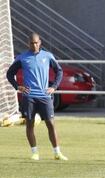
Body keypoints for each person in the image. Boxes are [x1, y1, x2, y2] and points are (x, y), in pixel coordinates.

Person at [6, 33, 68, 161]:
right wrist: (18, 86)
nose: (34, 45)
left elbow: (59, 71)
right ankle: (35, 152)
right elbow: (9, 74)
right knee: (30, 124)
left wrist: (54, 87)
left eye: (36, 43)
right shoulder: (22, 58)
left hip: (45, 96)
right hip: (29, 97)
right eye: (31, 43)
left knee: (51, 124)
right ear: (28, 43)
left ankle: (57, 153)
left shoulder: (48, 56)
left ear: (40, 42)